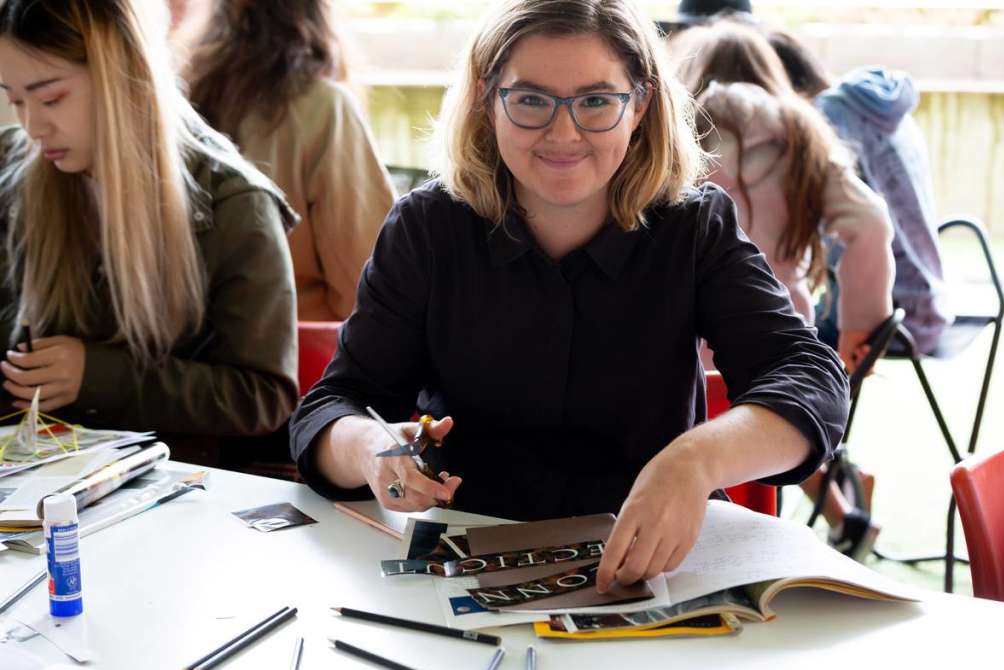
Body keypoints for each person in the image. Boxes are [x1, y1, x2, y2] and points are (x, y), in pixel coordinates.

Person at [290, 0, 848, 591]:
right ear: (486, 101)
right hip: (461, 574)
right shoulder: (428, 228)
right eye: (530, 100)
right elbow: (333, 407)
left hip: (651, 576)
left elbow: (811, 378)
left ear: (641, 105)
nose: (564, 133)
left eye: (596, 101)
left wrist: (696, 458)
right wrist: (371, 447)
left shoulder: (693, 227)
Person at [0, 0, 299, 457]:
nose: (32, 126)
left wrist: (96, 376)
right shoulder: (13, 170)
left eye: (51, 97)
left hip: (173, 487)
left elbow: (261, 398)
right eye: (15, 99)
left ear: (120, 78)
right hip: (33, 474)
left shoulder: (235, 204)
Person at [673, 21, 894, 557]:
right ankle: (809, 522)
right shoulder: (801, 134)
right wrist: (864, 323)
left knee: (696, 444)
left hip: (690, 333)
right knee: (782, 420)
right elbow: (870, 223)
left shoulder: (674, 130)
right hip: (781, 319)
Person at [186, 0, 396, 321]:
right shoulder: (324, 108)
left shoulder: (181, 99)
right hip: (297, 350)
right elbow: (372, 284)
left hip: (192, 350)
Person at [766, 29, 952, 355]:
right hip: (928, 300)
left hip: (891, 317)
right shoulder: (871, 104)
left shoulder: (830, 120)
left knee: (768, 341)